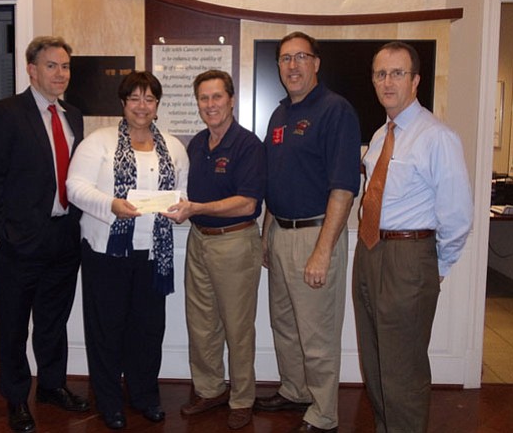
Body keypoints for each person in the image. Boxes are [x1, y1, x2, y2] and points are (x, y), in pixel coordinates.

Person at [353, 41, 473, 433]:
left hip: (409, 256)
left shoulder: (437, 137)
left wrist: (433, 267)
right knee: (375, 364)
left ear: (416, 80)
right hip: (370, 252)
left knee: (403, 371)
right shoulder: (381, 133)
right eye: (380, 74)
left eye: (397, 73)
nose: (387, 82)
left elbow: (457, 217)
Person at [0, 36, 87, 433]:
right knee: (13, 326)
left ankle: (52, 386)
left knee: (53, 322)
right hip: (18, 243)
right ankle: (17, 397)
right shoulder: (4, 114)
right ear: (32, 69)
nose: (61, 74)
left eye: (66, 67)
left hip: (63, 238)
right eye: (52, 66)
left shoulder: (74, 115)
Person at [67, 71, 188, 430]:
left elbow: (182, 192)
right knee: (107, 329)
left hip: (154, 255)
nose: (142, 105)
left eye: (149, 99)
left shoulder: (174, 146)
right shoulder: (98, 142)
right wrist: (111, 204)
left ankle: (144, 396)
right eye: (134, 98)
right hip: (107, 252)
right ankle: (108, 402)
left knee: (149, 330)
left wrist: (181, 209)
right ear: (123, 103)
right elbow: (75, 187)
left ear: (157, 105)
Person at [255, 32, 361, 433]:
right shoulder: (279, 114)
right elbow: (274, 180)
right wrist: (267, 233)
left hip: (317, 235)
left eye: (301, 57)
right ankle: (295, 390)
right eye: (285, 59)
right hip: (280, 232)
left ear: (316, 63)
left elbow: (344, 187)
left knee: (317, 333)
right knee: (283, 324)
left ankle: (324, 413)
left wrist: (322, 251)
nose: (293, 65)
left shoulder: (336, 111)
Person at [163, 70, 264, 430]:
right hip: (199, 240)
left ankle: (242, 398)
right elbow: (188, 195)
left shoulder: (248, 144)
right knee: (201, 324)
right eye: (204, 99)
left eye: (217, 97)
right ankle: (210, 390)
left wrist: (196, 208)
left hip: (235, 243)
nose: (210, 105)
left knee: (237, 327)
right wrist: (178, 207)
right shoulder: (196, 145)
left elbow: (246, 203)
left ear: (231, 99)